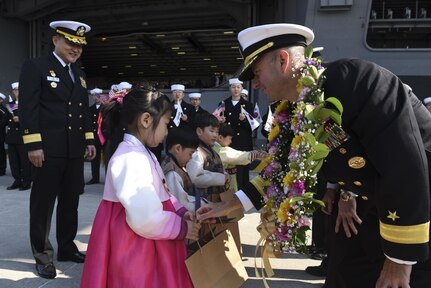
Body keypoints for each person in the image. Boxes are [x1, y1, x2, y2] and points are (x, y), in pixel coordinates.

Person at [197, 23, 431, 288]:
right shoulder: (290, 108)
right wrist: (230, 205)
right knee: (342, 272)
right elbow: (283, 166)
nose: (255, 83)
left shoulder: (358, 81)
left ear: (283, 60)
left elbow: (405, 169)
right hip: (369, 202)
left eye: (257, 71)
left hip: (418, 206)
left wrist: (400, 261)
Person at [80, 88, 200, 288]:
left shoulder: (143, 154)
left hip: (152, 237)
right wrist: (181, 227)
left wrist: (182, 211)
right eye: (166, 124)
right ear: (146, 120)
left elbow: (163, 193)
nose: (167, 131)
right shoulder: (130, 158)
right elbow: (144, 218)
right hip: (139, 247)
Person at [18, 20, 96, 279]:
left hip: (73, 150)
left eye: (79, 45)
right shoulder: (36, 66)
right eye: (71, 42)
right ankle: (42, 254)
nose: (75, 49)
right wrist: (33, 145)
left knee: (70, 202)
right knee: (43, 203)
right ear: (55, 40)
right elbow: (28, 109)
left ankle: (66, 246)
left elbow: (82, 111)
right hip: (47, 149)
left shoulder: (79, 73)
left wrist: (88, 140)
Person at [218, 78, 254, 190]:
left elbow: (253, 126)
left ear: (242, 88)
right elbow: (216, 120)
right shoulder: (223, 104)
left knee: (243, 171)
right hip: (227, 142)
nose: (236, 90)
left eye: (238, 87)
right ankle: (228, 191)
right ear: (229, 89)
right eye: (233, 87)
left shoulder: (248, 105)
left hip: (243, 142)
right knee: (227, 168)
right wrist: (220, 121)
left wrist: (244, 120)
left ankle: (243, 194)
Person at [186, 113, 230, 203]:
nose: (215, 135)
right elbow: (195, 178)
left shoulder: (212, 150)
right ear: (199, 131)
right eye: (212, 131)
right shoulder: (196, 152)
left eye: (217, 132)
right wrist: (221, 178)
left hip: (214, 200)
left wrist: (225, 175)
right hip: (202, 202)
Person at [213, 123, 267, 191]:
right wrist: (255, 154)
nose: (231, 141)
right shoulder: (219, 150)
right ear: (220, 137)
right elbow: (237, 156)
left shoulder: (218, 148)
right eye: (230, 138)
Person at [161, 126, 204, 211]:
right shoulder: (172, 173)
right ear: (178, 148)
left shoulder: (177, 165)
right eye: (190, 153)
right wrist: (204, 205)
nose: (191, 158)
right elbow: (180, 203)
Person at [5, 82, 32, 190]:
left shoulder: (28, 103)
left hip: (23, 136)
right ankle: (17, 180)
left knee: (24, 161)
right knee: (14, 161)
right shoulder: (11, 104)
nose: (17, 92)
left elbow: (32, 119)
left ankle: (26, 181)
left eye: (19, 90)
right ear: (13, 92)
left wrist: (21, 120)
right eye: (15, 90)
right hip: (12, 136)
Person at [86, 88, 104, 185]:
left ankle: (108, 179)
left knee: (108, 160)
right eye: (94, 95)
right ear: (92, 96)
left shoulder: (105, 108)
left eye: (98, 95)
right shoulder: (90, 109)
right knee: (94, 159)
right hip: (95, 138)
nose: (96, 97)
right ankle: (95, 178)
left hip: (104, 137)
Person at [0, 93, 8, 176]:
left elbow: (4, 122)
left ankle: (2, 169)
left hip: (0, 135)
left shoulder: (3, 109)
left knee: (1, 152)